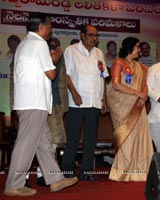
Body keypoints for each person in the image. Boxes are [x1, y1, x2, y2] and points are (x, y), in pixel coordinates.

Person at [3, 12, 78, 196]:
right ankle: (14, 184)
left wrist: (51, 61)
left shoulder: (25, 43)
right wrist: (55, 60)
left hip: (32, 102)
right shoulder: (39, 44)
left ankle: (56, 179)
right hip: (34, 102)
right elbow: (51, 74)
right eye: (50, 28)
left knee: (44, 142)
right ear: (42, 27)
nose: (50, 31)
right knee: (26, 144)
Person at [61, 24, 109, 182]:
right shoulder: (72, 50)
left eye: (96, 35)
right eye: (90, 35)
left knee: (91, 139)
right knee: (73, 138)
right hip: (77, 102)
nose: (94, 38)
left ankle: (86, 171)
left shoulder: (99, 53)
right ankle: (67, 169)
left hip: (94, 101)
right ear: (82, 35)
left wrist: (104, 100)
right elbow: (66, 75)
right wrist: (74, 93)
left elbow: (102, 77)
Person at [107, 37, 154, 181]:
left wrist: (144, 94)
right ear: (130, 48)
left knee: (139, 135)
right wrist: (136, 93)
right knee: (125, 136)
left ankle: (139, 171)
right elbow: (115, 84)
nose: (139, 50)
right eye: (137, 47)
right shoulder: (118, 63)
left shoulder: (141, 67)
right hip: (121, 104)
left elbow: (145, 84)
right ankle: (122, 171)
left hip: (138, 105)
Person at [30, 37, 69, 187]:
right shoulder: (34, 54)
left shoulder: (59, 56)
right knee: (30, 142)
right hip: (35, 103)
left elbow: (61, 81)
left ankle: (44, 175)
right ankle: (23, 177)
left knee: (53, 142)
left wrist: (63, 106)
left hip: (54, 103)